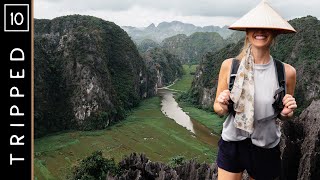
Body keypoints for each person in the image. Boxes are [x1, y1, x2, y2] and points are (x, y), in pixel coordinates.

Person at [213, 1, 297, 180]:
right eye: (254, 27)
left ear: (274, 33)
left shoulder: (286, 72)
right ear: (247, 32)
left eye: (266, 28)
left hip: (265, 146)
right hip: (232, 144)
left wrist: (286, 112)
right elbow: (219, 110)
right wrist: (221, 102)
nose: (260, 31)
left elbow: (282, 115)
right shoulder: (230, 66)